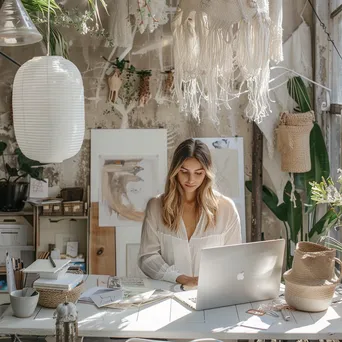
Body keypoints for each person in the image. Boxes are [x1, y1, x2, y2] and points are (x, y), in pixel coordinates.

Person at [137, 138, 241, 287]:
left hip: (213, 294)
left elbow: (234, 258)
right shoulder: (156, 206)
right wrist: (182, 278)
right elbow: (147, 257)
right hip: (168, 294)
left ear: (207, 173)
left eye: (198, 173)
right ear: (175, 171)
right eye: (184, 172)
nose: (191, 179)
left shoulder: (226, 208)